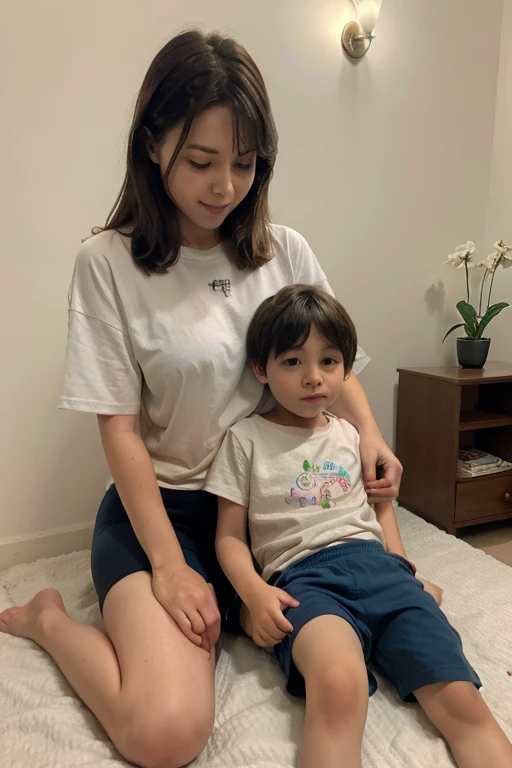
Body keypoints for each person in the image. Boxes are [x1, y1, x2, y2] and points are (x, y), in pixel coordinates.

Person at [0, 30, 403, 768]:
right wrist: (168, 566)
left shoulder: (286, 250)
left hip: (275, 513)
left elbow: (331, 369)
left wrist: (370, 433)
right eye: (201, 161)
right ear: (153, 146)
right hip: (168, 512)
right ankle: (49, 621)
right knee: (166, 734)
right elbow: (119, 430)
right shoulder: (108, 264)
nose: (225, 186)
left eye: (244, 164)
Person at [205, 284, 512, 768]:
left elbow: (380, 507)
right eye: (292, 362)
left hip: (381, 570)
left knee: (461, 697)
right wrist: (253, 593)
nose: (313, 378)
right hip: (305, 582)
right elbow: (227, 536)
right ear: (261, 368)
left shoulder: (352, 434)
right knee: (338, 685)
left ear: (347, 369)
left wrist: (404, 567)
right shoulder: (244, 439)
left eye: (329, 361)